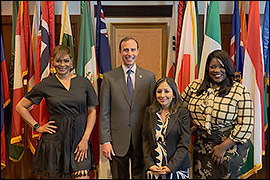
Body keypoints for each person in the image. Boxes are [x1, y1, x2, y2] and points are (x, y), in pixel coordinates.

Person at [16, 45, 99, 179]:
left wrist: (85, 139)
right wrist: (37, 126)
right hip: (55, 141)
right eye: (58, 61)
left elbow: (92, 112)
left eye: (66, 60)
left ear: (71, 62)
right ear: (53, 62)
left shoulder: (84, 83)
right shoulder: (46, 83)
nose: (62, 64)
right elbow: (20, 107)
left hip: (79, 140)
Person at [180, 49, 254, 179]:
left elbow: (245, 126)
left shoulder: (239, 90)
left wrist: (222, 148)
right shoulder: (195, 86)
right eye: (212, 67)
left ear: (228, 68)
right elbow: (179, 108)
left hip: (230, 148)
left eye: (221, 67)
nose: (216, 70)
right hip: (202, 146)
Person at [99, 36, 156, 179]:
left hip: (142, 140)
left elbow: (153, 111)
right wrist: (105, 141)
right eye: (125, 50)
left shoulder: (149, 77)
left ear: (138, 51)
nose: (129, 53)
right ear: (120, 52)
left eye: (132, 50)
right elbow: (104, 112)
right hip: (117, 141)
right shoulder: (109, 78)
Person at [142, 77, 191, 179]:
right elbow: (145, 139)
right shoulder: (150, 112)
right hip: (154, 169)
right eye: (159, 91)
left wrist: (170, 167)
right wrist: (150, 164)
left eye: (167, 91)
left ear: (174, 94)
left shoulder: (183, 112)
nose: (162, 95)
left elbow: (184, 144)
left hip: (177, 169)